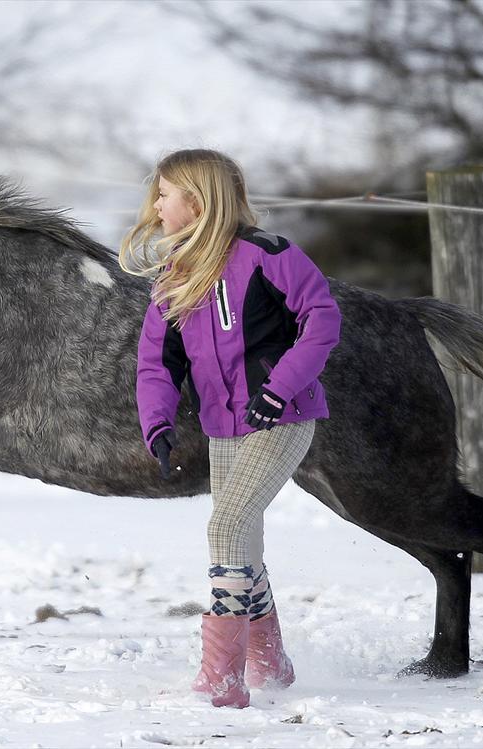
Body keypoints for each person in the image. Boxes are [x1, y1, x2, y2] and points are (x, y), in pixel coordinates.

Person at [119, 149, 341, 708]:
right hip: (223, 427)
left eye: (164, 193)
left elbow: (322, 318)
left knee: (226, 527)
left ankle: (222, 679)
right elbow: (157, 361)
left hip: (280, 416)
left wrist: (279, 387)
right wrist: (157, 423)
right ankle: (271, 664)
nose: (156, 205)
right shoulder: (175, 277)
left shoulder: (269, 254)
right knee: (242, 540)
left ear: (195, 201)